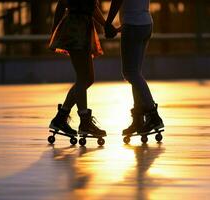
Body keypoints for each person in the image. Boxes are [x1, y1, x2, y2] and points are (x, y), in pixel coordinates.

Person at [48, 0, 108, 137]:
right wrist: (54, 30)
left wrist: (105, 25)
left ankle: (61, 118)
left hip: (82, 28)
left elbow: (92, 7)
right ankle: (84, 122)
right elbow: (63, 4)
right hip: (75, 29)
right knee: (84, 79)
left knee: (87, 79)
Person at [105, 0, 164, 135]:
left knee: (130, 73)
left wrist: (108, 23)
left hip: (133, 25)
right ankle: (138, 119)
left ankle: (153, 115)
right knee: (135, 74)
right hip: (146, 23)